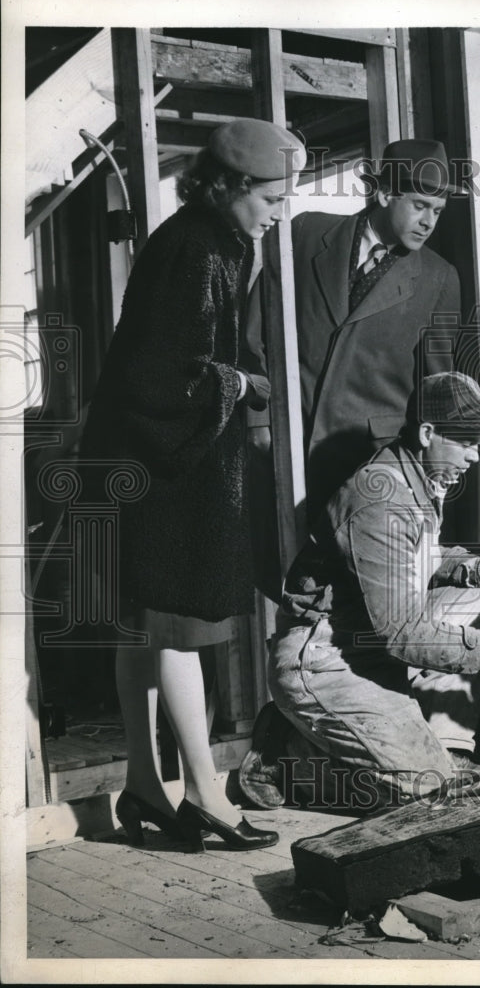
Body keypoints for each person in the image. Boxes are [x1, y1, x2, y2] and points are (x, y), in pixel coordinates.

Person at [79, 118, 306, 850]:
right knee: (179, 627)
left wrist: (236, 384)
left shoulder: (207, 240)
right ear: (234, 185)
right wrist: (240, 382)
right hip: (165, 471)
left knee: (149, 627)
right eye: (272, 196)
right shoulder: (197, 247)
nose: (279, 210)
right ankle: (208, 793)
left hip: (149, 462)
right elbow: (156, 375)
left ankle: (146, 786)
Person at [238, 372, 480, 811]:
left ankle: (445, 749)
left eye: (478, 445)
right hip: (322, 660)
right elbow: (403, 634)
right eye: (466, 443)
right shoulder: (381, 498)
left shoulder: (412, 476)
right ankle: (290, 757)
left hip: (368, 641)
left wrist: (473, 566)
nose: (474, 457)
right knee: (425, 792)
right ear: (428, 433)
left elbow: (412, 561)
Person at [243, 138, 464, 534]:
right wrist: (257, 420)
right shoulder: (306, 233)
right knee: (277, 577)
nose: (430, 222)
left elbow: (435, 390)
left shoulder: (439, 278)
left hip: (368, 470)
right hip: (283, 448)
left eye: (439, 211)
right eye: (419, 205)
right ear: (383, 194)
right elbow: (253, 331)